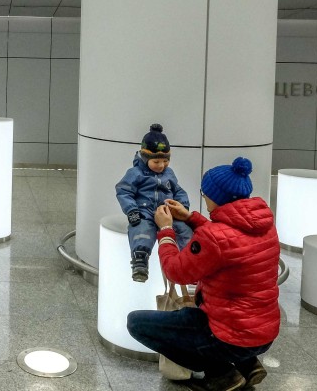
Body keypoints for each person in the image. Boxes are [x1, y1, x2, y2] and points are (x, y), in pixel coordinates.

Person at [126, 157, 280, 391]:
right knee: (211, 312)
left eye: (205, 193)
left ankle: (221, 374)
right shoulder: (265, 226)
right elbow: (228, 237)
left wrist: (165, 230)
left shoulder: (213, 238)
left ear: (215, 196)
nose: (204, 198)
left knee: (136, 323)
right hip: (264, 333)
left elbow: (176, 271)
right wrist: (190, 217)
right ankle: (248, 364)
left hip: (228, 336)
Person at [115, 123, 193, 281]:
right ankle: (140, 262)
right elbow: (124, 191)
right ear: (145, 158)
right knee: (142, 230)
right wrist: (132, 210)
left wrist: (182, 206)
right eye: (156, 161)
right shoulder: (135, 173)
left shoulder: (169, 174)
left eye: (165, 161)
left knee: (184, 230)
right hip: (145, 212)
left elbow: (178, 190)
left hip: (168, 213)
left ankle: (190, 262)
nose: (161, 165)